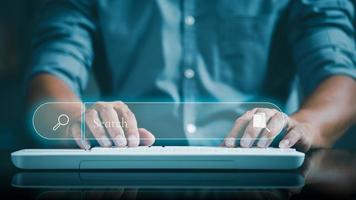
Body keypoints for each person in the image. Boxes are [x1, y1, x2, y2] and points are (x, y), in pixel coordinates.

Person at [27, 0, 356, 152]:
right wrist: (72, 120)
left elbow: (339, 76)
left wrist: (305, 124)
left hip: (262, 170)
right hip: (127, 173)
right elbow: (51, 71)